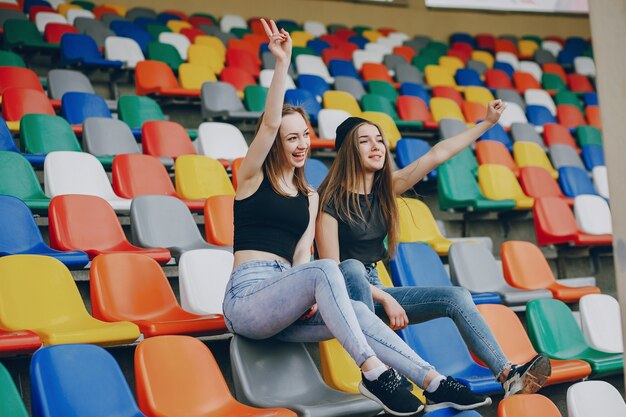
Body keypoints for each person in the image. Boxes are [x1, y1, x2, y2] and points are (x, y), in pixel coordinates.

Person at [222, 19, 490, 415]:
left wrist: (308, 299)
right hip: (247, 299)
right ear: (277, 142)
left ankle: (432, 382)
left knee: (358, 309)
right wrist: (283, 63)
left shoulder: (310, 196)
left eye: (306, 136)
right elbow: (270, 122)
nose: (301, 144)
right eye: (291, 137)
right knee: (329, 269)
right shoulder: (249, 178)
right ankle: (372, 372)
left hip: (288, 300)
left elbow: (300, 260)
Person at [315, 104, 552, 409]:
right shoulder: (329, 203)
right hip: (347, 295)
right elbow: (333, 270)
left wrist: (486, 124)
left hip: (374, 287)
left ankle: (508, 374)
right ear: (348, 151)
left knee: (456, 296)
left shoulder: (384, 189)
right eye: (365, 141)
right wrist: (386, 299)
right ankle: (381, 376)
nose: (376, 146)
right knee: (351, 268)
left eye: (379, 139)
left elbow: (436, 155)